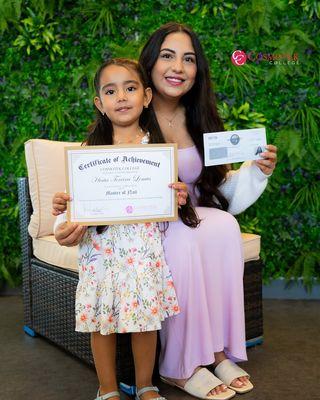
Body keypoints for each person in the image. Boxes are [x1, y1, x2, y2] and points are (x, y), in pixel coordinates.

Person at [53, 23, 277, 400]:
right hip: (146, 226)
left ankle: (218, 351)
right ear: (149, 70)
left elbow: (215, 190)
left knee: (223, 225)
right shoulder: (130, 119)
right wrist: (65, 218)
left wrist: (256, 171)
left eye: (188, 59)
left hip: (185, 213)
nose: (178, 67)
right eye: (167, 56)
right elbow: (93, 181)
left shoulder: (199, 117)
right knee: (185, 239)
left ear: (197, 69)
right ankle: (182, 364)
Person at [53, 57, 196, 400]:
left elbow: (167, 205)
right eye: (111, 91)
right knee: (103, 322)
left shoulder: (158, 152)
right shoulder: (89, 153)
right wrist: (62, 211)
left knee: (145, 320)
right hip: (101, 252)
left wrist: (178, 195)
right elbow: (73, 206)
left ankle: (145, 385)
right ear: (99, 104)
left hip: (142, 251)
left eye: (130, 88)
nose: (121, 97)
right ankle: (107, 389)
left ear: (146, 96)